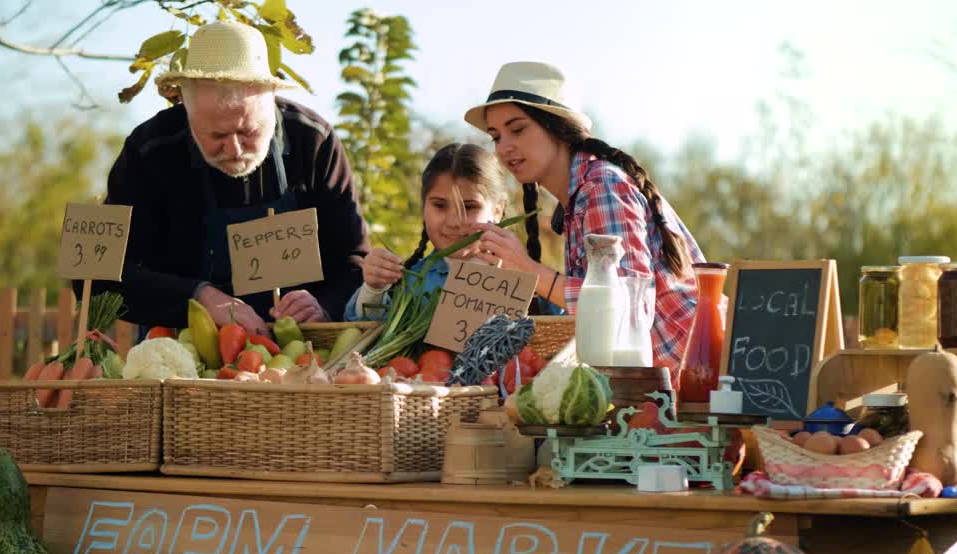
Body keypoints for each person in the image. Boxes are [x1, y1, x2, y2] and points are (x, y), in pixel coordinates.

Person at [86, 21, 369, 336]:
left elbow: (354, 260)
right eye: (217, 135)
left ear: (271, 102)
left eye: (249, 131)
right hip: (178, 350)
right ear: (187, 113)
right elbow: (98, 277)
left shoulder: (313, 141)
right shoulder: (150, 151)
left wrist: (324, 305)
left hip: (300, 353)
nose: (234, 149)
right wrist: (198, 297)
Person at [461, 61, 706, 376]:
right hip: (664, 381)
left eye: (518, 129)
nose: (505, 147)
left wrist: (525, 268)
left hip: (689, 382)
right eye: (495, 137)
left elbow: (624, 312)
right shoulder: (578, 200)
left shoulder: (602, 186)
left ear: (557, 128)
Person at [345, 143, 563, 320]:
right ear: (424, 208)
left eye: (469, 207)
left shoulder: (522, 280)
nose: (454, 221)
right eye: (440, 205)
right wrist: (374, 287)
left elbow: (569, 324)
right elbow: (366, 334)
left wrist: (530, 273)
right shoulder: (409, 282)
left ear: (497, 211)